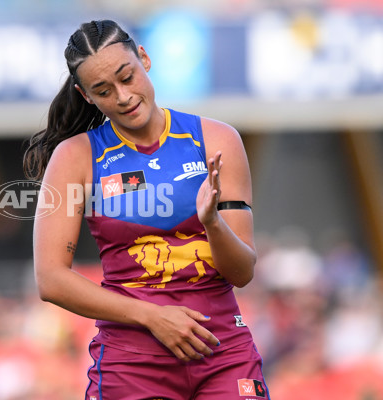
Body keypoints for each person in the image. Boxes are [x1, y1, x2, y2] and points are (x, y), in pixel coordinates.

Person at [23, 19, 269, 400]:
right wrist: (153, 317)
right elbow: (51, 279)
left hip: (223, 352)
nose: (122, 96)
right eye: (103, 90)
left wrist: (213, 223)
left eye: (127, 76)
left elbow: (242, 273)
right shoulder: (75, 158)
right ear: (86, 96)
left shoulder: (217, 139)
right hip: (132, 362)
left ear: (144, 58)